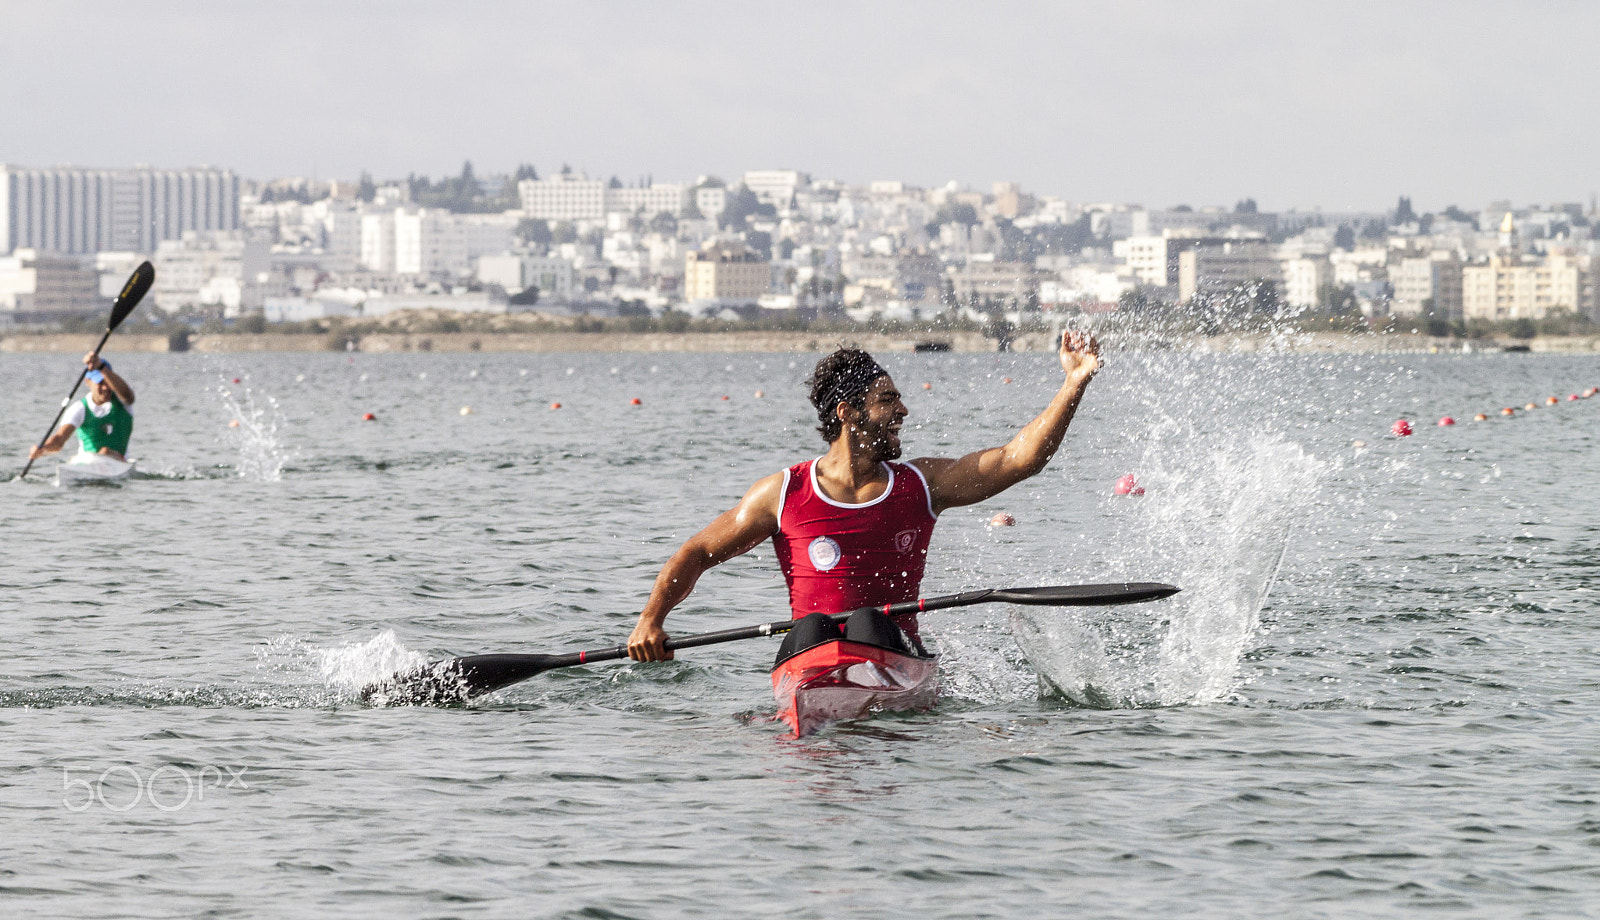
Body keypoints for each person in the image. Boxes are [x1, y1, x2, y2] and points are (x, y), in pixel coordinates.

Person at [627, 329, 1101, 664]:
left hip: (895, 652)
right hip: (811, 658)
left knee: (869, 623)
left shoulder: (921, 483)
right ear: (849, 413)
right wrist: (650, 621)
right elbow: (698, 551)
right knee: (814, 627)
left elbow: (1018, 459)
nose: (903, 410)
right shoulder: (784, 492)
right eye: (888, 400)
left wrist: (1073, 382)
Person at [29, 352, 136, 462]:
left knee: (105, 451)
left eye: (108, 382)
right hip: (88, 463)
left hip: (119, 462)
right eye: (100, 382)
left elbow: (129, 396)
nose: (105, 388)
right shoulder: (79, 408)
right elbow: (59, 439)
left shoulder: (123, 401)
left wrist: (101, 367)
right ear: (87, 382)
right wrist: (43, 448)